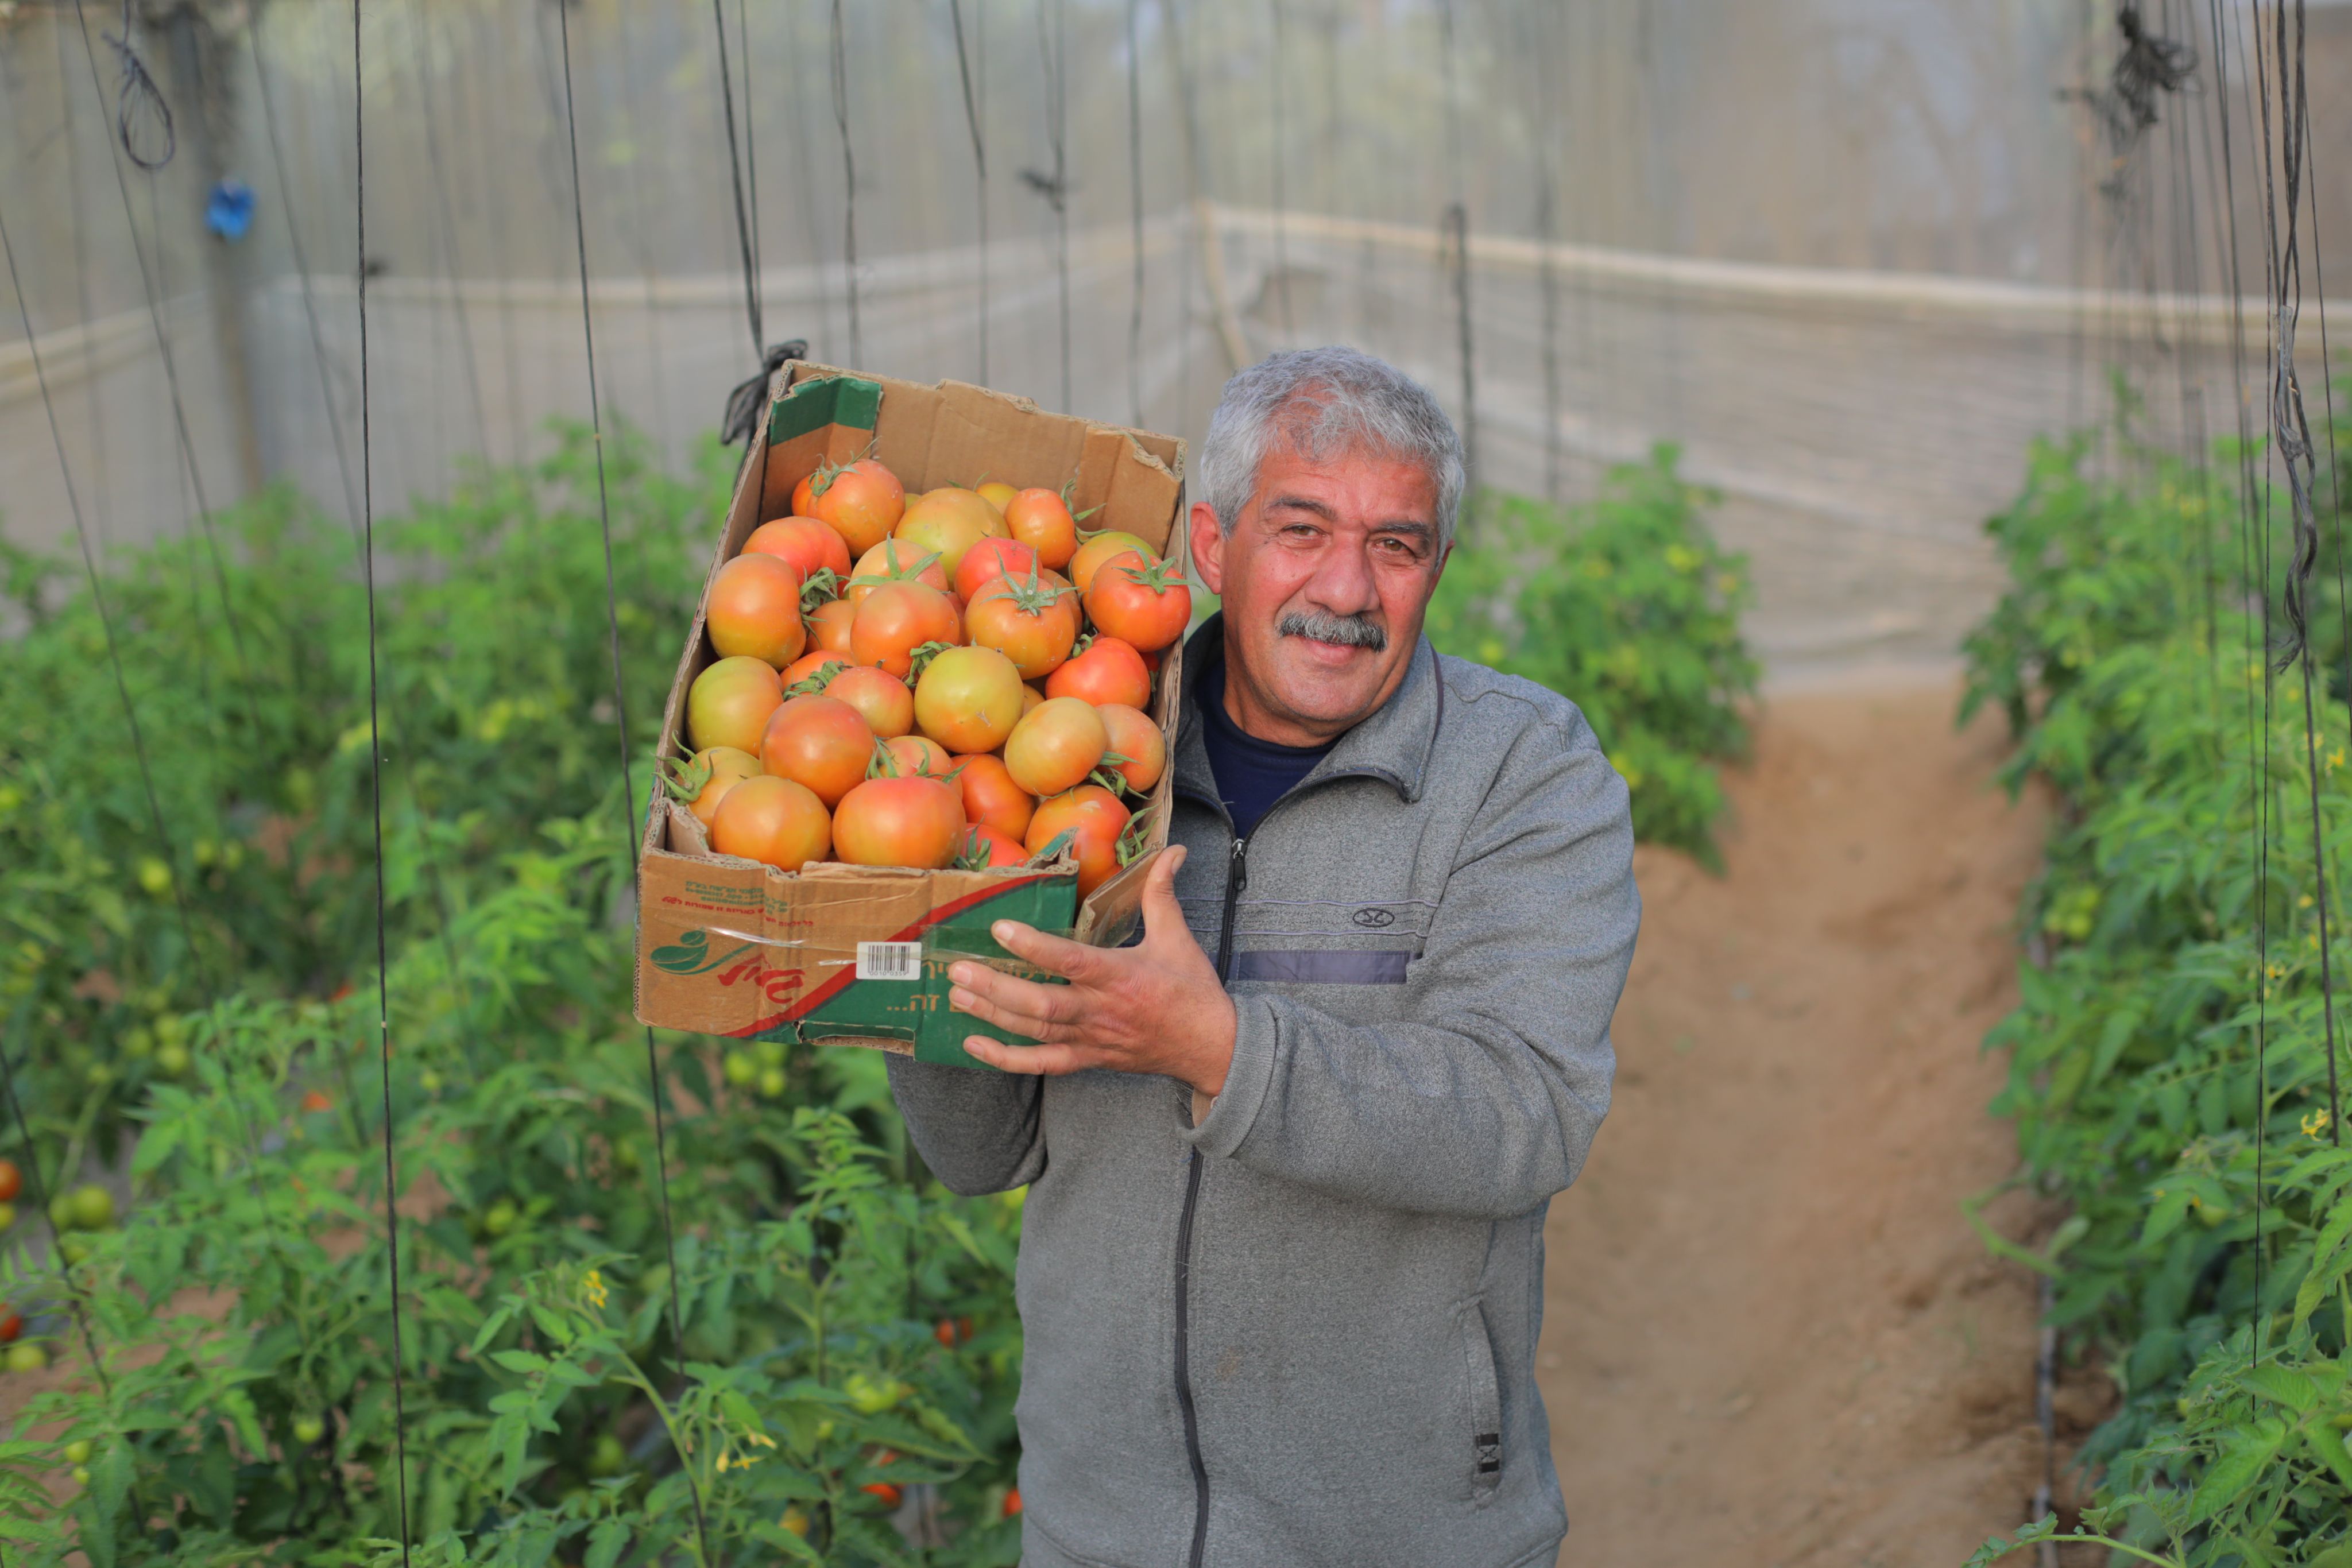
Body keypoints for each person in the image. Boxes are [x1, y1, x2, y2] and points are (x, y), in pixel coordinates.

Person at [887, 346, 1639, 1568]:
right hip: (1099, 1533)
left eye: (1395, 545)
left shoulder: (1523, 774)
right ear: (1209, 544)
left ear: (1437, 568)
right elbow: (980, 1154)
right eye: (1300, 529)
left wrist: (1220, 1051)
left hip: (1396, 1537)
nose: (1346, 586)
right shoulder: (1067, 765)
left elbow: (1525, 1112)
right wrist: (911, 931)